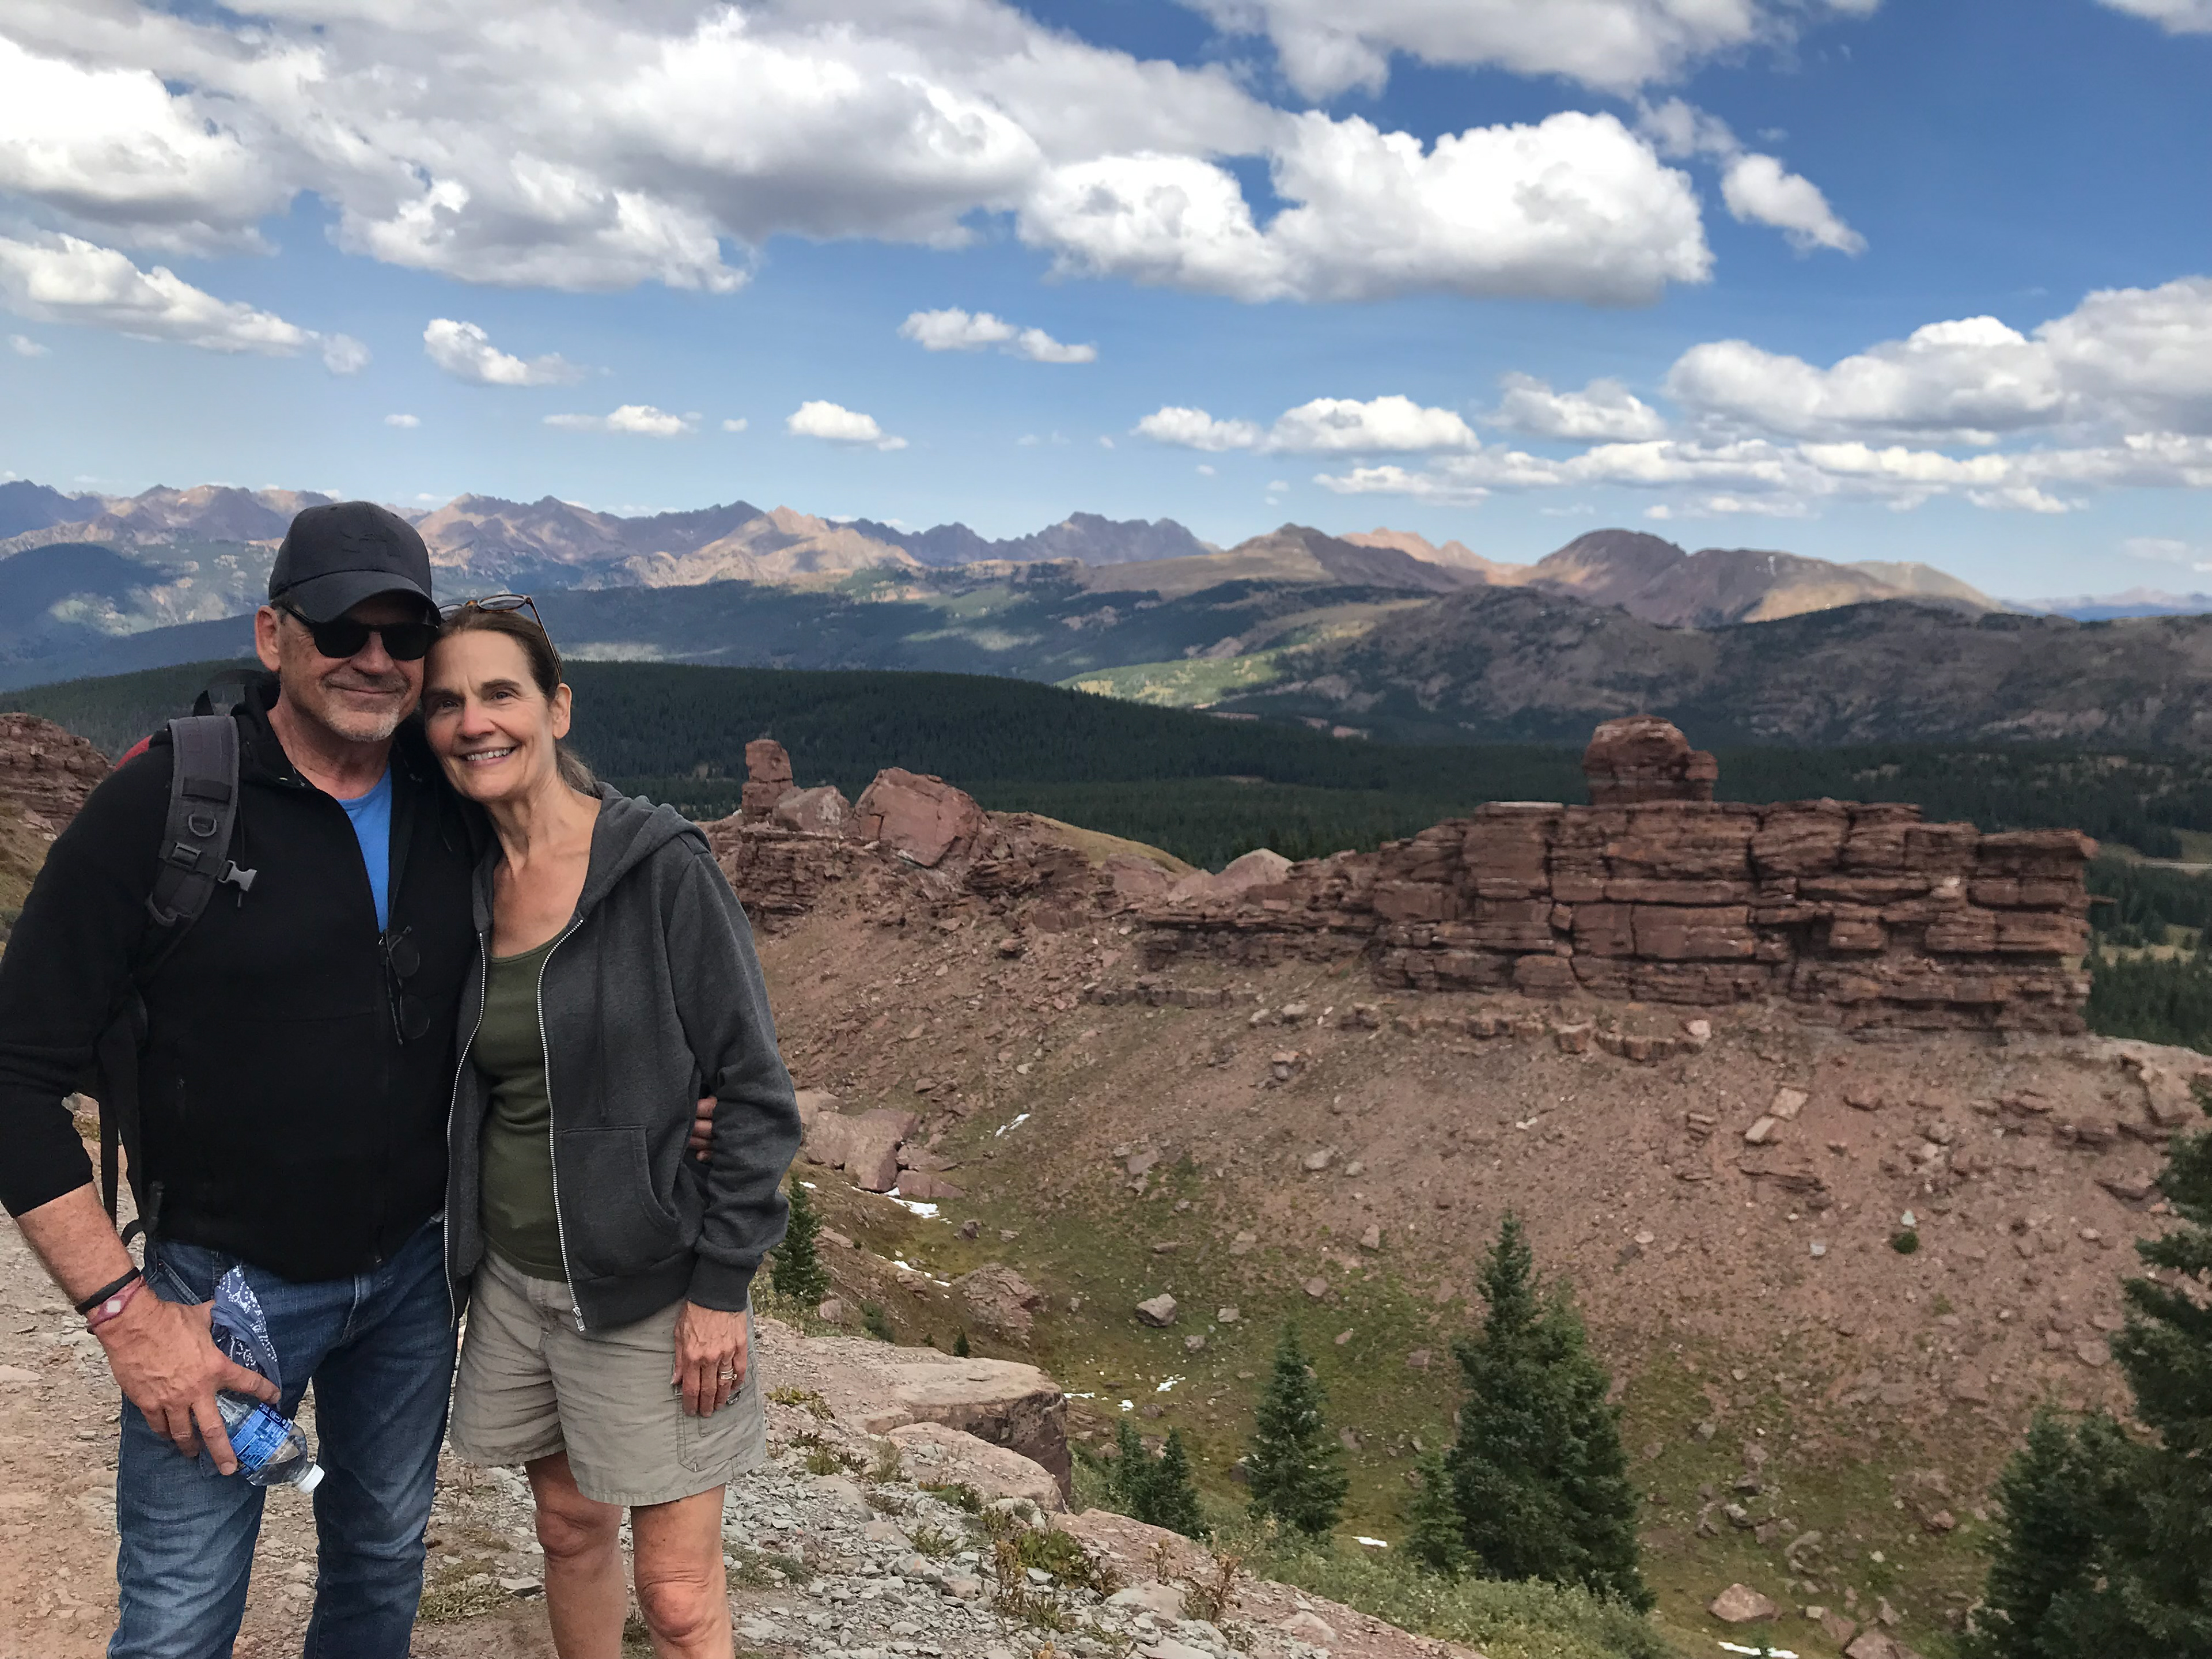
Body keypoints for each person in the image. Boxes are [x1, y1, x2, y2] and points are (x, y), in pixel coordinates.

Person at [0, 502, 480, 1657]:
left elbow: (588, 926)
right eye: (339, 627)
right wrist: (124, 1316)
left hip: (413, 1275)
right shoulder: (166, 807)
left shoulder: (455, 798)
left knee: (381, 1566)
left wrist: (692, 1096)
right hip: (218, 1291)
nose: (375, 659)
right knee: (177, 1617)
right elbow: (13, 1077)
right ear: (274, 635)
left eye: (403, 635)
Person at [422, 597, 801, 1659]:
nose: (474, 721)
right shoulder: (462, 885)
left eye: (501, 692)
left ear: (556, 706)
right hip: (513, 1284)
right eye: (446, 702)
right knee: (568, 1530)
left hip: (647, 1291)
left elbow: (758, 1093)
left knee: (678, 1599)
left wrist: (722, 1289)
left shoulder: (660, 868)